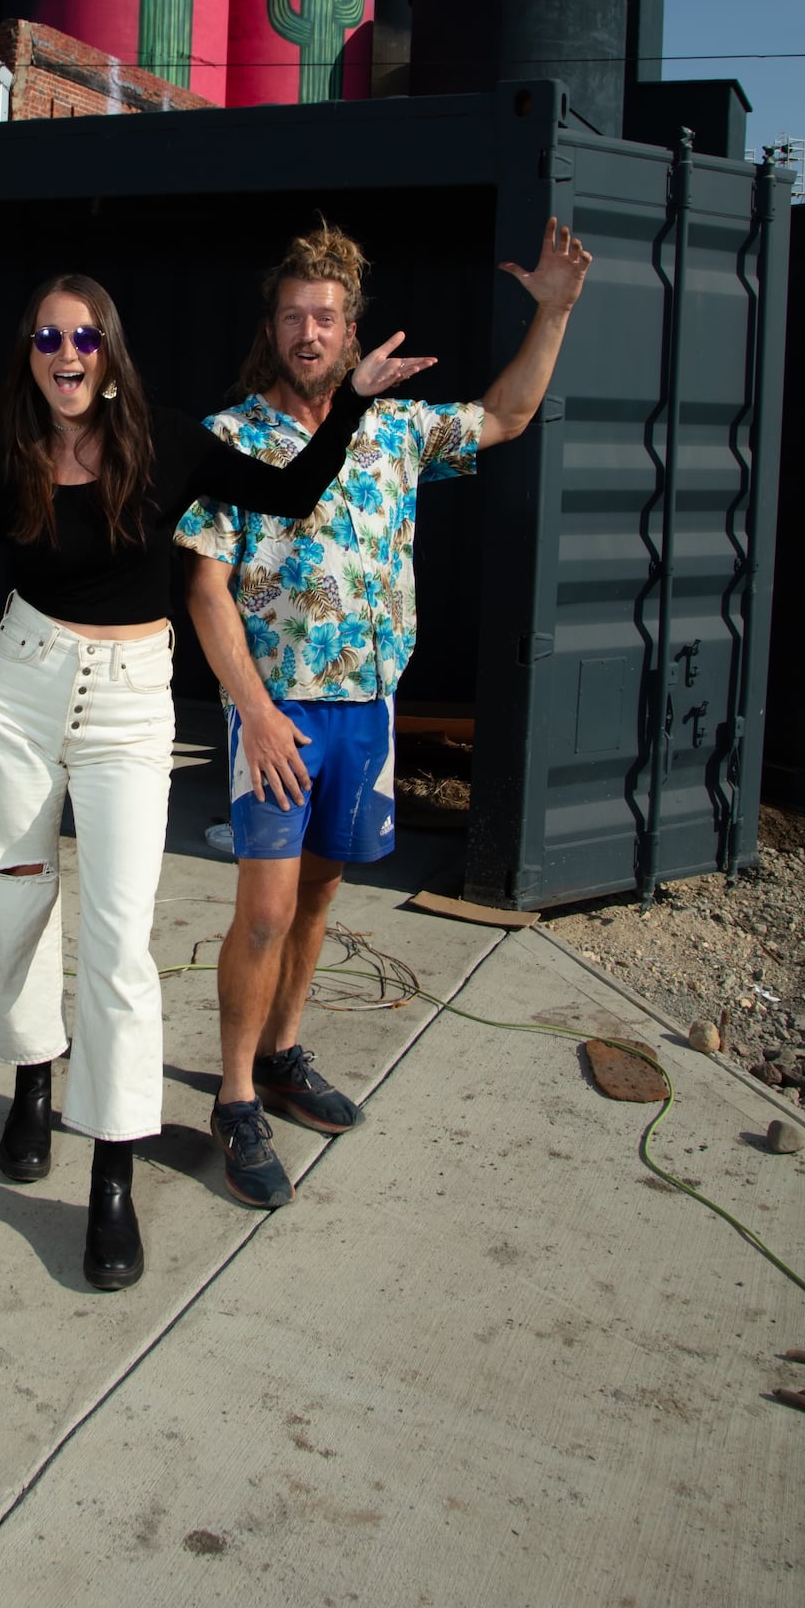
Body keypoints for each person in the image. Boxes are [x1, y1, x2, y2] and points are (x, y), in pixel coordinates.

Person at [0, 273, 433, 1291]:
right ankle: (29, 1076)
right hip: (20, 688)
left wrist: (353, 398)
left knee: (118, 937)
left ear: (109, 352)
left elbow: (291, 491)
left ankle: (111, 1173)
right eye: (48, 336)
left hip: (134, 698)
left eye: (84, 337)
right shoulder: (8, 462)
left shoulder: (169, 444)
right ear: (30, 352)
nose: (66, 353)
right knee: (15, 902)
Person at [176, 216, 593, 1210]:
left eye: (325, 317)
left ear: (351, 328)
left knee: (320, 898)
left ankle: (280, 1054)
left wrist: (555, 313)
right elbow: (203, 588)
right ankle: (234, 1097)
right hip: (275, 713)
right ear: (271, 329)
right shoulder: (233, 438)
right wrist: (254, 712)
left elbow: (506, 417)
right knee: (265, 908)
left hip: (366, 708)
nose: (309, 333)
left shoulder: (396, 431)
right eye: (293, 317)